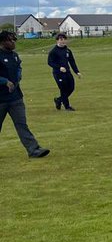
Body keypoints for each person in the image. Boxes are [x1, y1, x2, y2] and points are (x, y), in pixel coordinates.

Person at [0, 30, 50, 158]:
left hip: (16, 98)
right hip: (1, 99)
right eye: (11, 40)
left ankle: (33, 150)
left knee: (22, 124)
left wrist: (18, 77)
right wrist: (4, 81)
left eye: (14, 40)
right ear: (3, 42)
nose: (13, 42)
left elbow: (18, 67)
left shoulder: (14, 55)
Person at [47, 32, 82, 111]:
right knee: (63, 89)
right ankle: (67, 106)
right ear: (57, 41)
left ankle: (59, 100)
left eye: (64, 39)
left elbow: (72, 61)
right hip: (58, 73)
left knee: (71, 88)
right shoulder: (53, 51)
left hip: (67, 72)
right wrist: (59, 68)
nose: (63, 41)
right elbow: (50, 62)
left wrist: (77, 72)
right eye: (61, 39)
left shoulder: (68, 51)